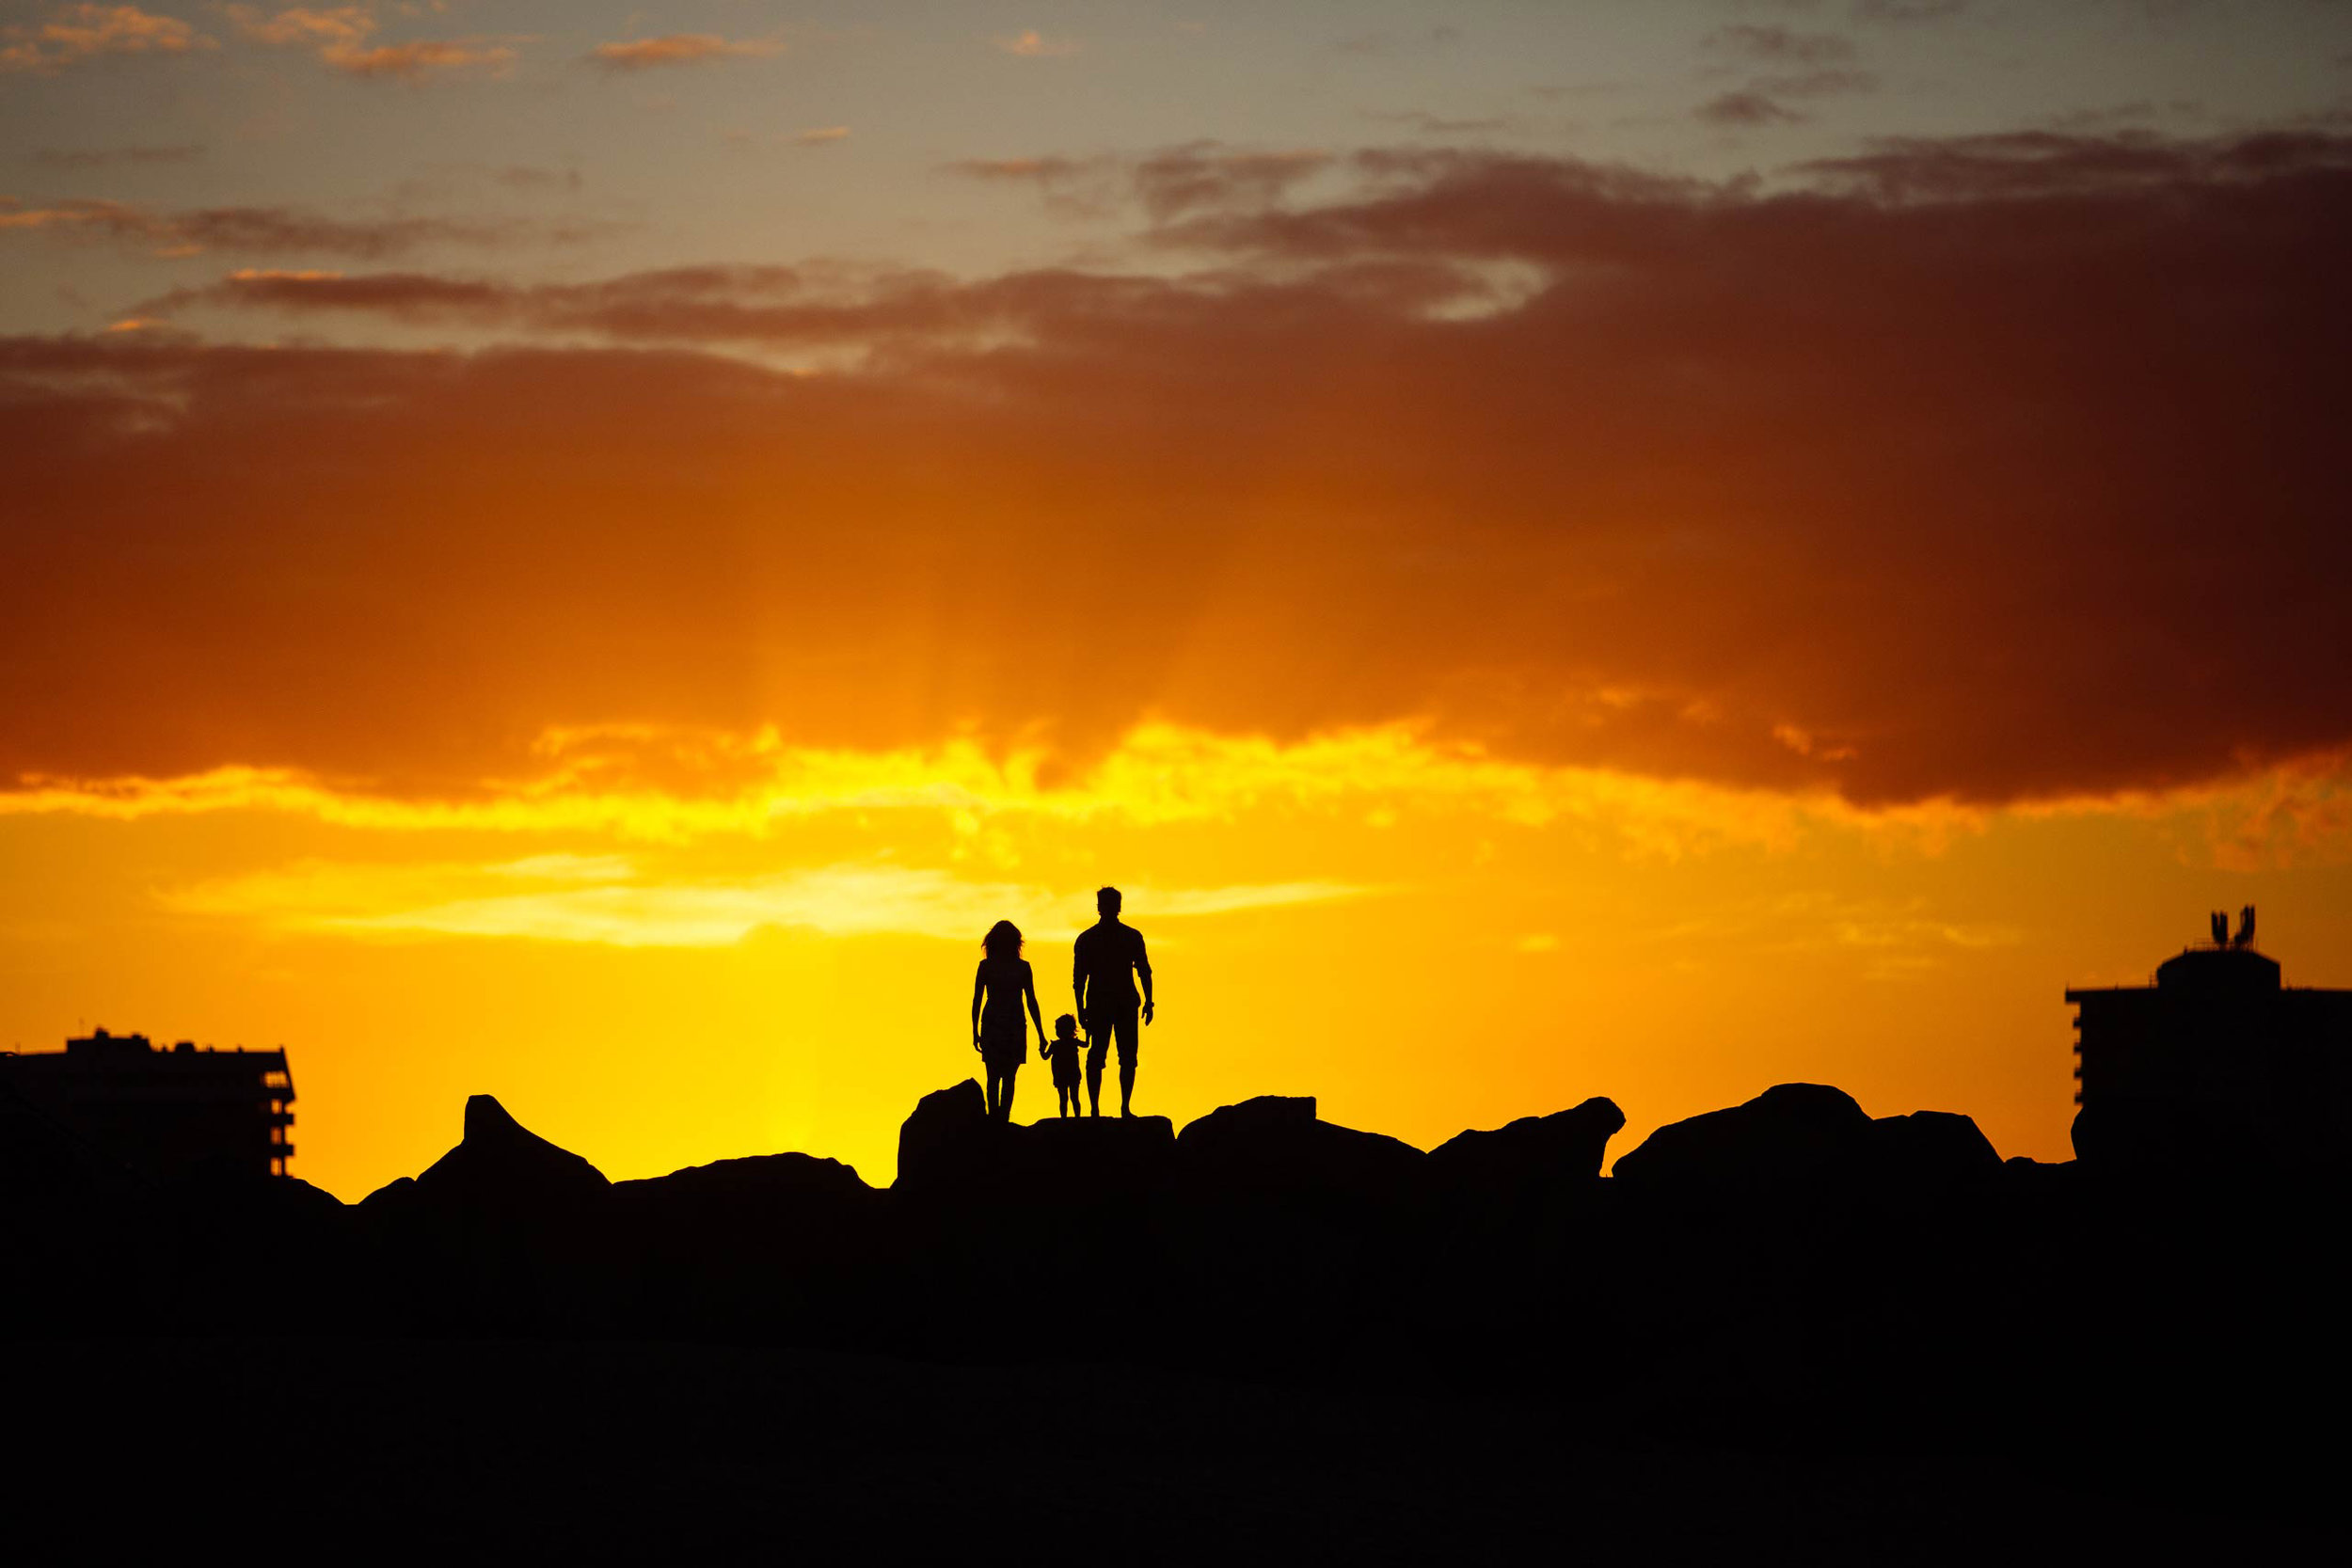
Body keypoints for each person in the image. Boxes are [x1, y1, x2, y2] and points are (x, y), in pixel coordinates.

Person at [1073, 886, 1152, 1117]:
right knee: (1100, 1056)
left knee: (1125, 1057)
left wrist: (1149, 1001)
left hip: (1122, 1002)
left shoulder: (1129, 937)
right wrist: (1081, 1009)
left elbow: (1145, 971)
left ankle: (1123, 1107)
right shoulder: (1089, 940)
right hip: (1102, 1003)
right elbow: (1078, 980)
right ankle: (1097, 1108)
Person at [971, 919, 1044, 1122]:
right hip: (1004, 1024)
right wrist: (974, 1030)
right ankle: (999, 1118)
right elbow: (977, 998)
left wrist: (1041, 1033)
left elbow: (1031, 1001)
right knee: (1002, 1076)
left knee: (997, 1076)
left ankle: (998, 1118)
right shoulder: (1010, 967)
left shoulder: (993, 967)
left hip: (1005, 1024)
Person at [1044, 1013, 1083, 1118]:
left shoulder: (1056, 1045)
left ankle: (1067, 1118)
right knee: (1070, 1097)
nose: (1057, 1031)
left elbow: (1045, 1056)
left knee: (1067, 1098)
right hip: (1067, 1074)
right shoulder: (1072, 1043)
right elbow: (1086, 1044)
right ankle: (1074, 1118)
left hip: (1064, 1074)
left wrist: (1041, 1047)